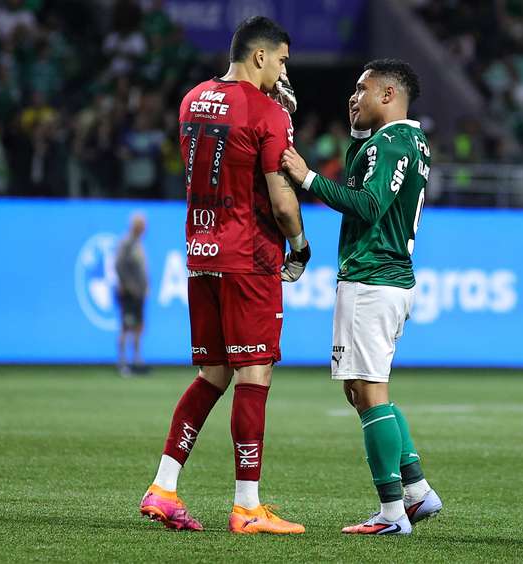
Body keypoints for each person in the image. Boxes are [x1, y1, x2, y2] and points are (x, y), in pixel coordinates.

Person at [139, 16, 310, 534]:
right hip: (249, 256)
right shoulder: (267, 112)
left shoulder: (192, 98)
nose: (283, 70)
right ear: (260, 56)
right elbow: (282, 202)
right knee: (254, 375)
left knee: (212, 374)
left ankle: (163, 487)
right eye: (281, 60)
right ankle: (247, 506)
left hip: (201, 251)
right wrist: (300, 247)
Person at [281, 59, 442, 535]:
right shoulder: (407, 141)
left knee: (370, 392)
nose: (353, 97)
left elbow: (369, 204)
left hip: (372, 278)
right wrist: (353, 135)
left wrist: (307, 178)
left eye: (361, 89)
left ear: (388, 95)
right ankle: (416, 490)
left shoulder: (389, 144)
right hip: (387, 279)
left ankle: (392, 513)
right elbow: (362, 181)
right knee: (360, 389)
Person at [114, 211, 148, 375]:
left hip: (139, 293)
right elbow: (119, 265)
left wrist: (144, 287)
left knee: (138, 327)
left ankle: (136, 361)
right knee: (126, 326)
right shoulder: (126, 243)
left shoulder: (137, 243)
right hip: (129, 294)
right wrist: (128, 286)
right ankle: (122, 362)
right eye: (142, 225)